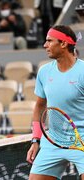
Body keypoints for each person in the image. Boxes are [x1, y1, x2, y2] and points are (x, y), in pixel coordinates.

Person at [26, 25, 84, 179]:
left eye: (49, 41)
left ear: (63, 44)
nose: (45, 45)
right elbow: (39, 106)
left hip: (82, 141)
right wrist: (35, 140)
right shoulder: (44, 72)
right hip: (52, 141)